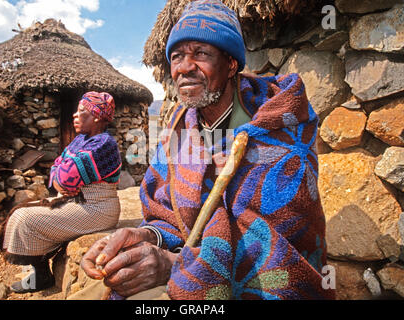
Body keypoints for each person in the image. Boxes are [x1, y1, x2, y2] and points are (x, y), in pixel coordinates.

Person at [80, 0, 335, 300]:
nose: (185, 68)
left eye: (200, 53)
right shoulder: (179, 128)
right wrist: (145, 236)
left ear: (230, 64)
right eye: (177, 56)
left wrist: (172, 265)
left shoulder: (281, 124)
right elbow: (169, 214)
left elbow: (281, 241)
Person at [0, 91, 122, 293]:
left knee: (25, 219)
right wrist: (60, 176)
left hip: (97, 209)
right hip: (79, 202)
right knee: (21, 211)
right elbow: (58, 167)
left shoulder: (104, 144)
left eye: (82, 111)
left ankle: (42, 277)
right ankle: (40, 271)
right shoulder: (81, 140)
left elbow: (65, 176)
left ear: (97, 116)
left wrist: (60, 176)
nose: (74, 115)